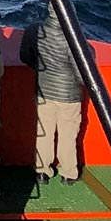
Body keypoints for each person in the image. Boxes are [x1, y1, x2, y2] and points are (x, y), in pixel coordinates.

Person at [21, 13, 86, 185]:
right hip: (69, 94)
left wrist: (42, 70)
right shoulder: (72, 36)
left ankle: (42, 172)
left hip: (43, 90)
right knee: (68, 134)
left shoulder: (34, 30)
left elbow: (25, 56)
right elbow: (81, 73)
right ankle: (68, 173)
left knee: (44, 133)